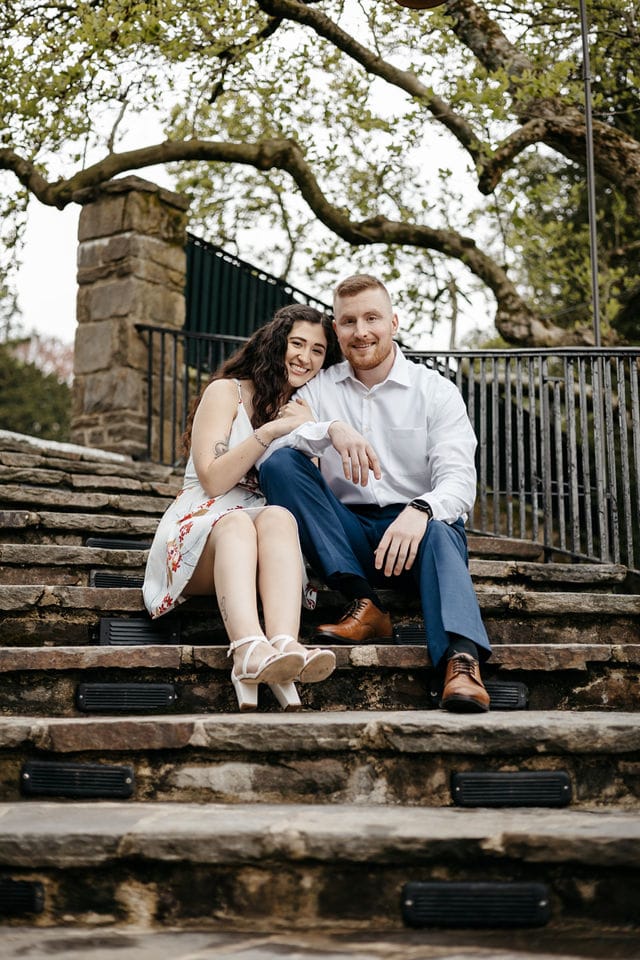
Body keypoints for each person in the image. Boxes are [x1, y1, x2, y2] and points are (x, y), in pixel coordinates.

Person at [258, 275, 492, 713]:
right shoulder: (318, 389)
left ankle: (461, 660)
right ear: (336, 329)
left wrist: (420, 508)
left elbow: (459, 481)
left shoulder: (435, 391)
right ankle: (364, 602)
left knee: (444, 528)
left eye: (372, 318)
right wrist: (331, 428)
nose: (361, 331)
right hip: (346, 537)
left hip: (417, 538)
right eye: (349, 322)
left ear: (394, 322)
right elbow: (271, 450)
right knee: (281, 463)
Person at [142, 304, 342, 711]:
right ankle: (248, 650)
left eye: (317, 350)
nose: (305, 357)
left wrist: (309, 428)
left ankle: (284, 645)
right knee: (236, 524)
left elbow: (306, 492)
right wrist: (273, 429)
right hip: (204, 527)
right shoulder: (226, 392)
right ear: (276, 343)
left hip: (264, 534)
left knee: (280, 516)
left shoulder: (303, 410)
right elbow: (214, 480)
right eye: (297, 343)